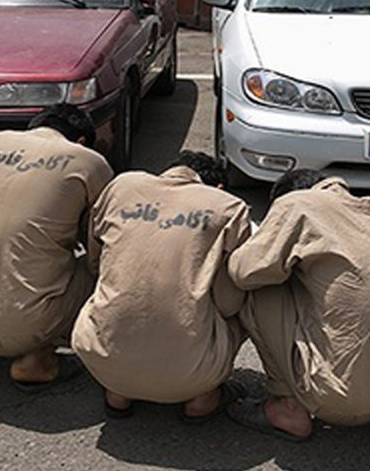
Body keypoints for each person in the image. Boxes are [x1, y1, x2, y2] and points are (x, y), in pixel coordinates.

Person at [226, 169, 370, 441]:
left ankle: (287, 407)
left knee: (259, 288)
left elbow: (243, 272)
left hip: (342, 402)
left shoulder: (296, 204)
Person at [0, 105, 112, 391]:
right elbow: (97, 237)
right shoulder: (88, 161)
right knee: (98, 269)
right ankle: (36, 359)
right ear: (81, 140)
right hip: (25, 327)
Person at [71, 151, 251, 421]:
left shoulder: (122, 186)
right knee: (251, 300)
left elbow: (96, 261)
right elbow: (230, 300)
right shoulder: (229, 207)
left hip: (100, 359)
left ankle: (119, 391)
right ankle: (203, 396)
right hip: (193, 372)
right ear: (218, 187)